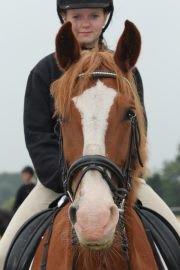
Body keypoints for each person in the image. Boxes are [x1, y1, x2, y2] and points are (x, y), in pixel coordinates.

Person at [0, 0, 179, 268]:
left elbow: (137, 131)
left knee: (176, 237)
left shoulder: (128, 71)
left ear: (105, 17)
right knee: (4, 252)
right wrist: (68, 178)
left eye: (94, 15)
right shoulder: (44, 71)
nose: (85, 23)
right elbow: (37, 135)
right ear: (64, 17)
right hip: (56, 181)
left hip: (120, 180)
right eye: (77, 16)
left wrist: (125, 175)